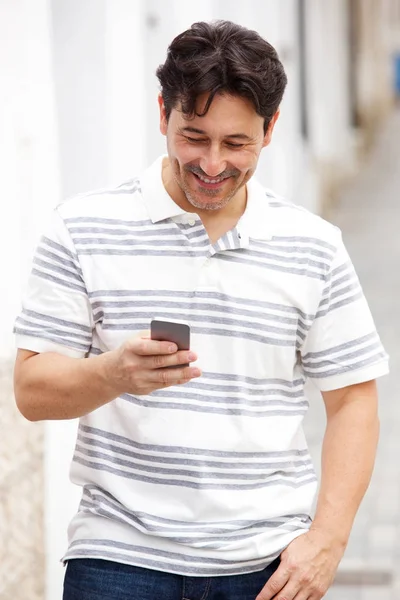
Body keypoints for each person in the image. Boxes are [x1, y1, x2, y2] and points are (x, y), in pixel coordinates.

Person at [13, 19, 388, 600]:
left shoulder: (314, 245)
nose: (213, 164)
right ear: (162, 114)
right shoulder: (81, 228)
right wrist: (111, 373)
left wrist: (329, 539)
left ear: (271, 129)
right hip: (117, 560)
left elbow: (354, 399)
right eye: (194, 136)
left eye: (237, 143)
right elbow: (31, 391)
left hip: (266, 568)